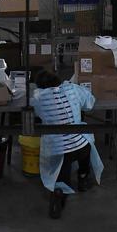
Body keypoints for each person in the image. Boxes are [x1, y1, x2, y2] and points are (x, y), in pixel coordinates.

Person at [30, 69, 104, 219]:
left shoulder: (38, 98)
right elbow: (90, 103)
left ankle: (58, 197)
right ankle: (83, 178)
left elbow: (34, 111)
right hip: (81, 146)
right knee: (84, 144)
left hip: (59, 151)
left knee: (61, 178)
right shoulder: (72, 89)